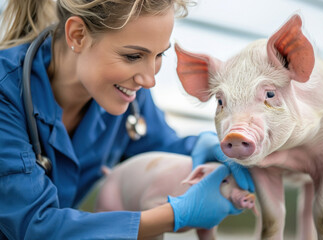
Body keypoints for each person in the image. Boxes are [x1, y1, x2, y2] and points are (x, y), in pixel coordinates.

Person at [0, 0, 254, 239]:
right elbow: (36, 226)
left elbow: (162, 147)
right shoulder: (6, 94)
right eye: (133, 56)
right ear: (77, 35)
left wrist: (213, 148)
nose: (149, 79)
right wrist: (173, 216)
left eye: (158, 56)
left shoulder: (125, 94)